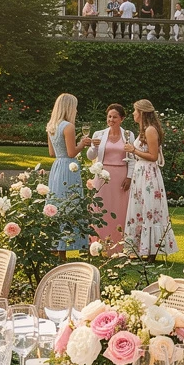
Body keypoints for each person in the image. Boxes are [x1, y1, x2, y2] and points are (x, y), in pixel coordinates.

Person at [123, 100, 179, 260]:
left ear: (141, 112)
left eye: (135, 111)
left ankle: (152, 252)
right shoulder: (144, 130)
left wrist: (133, 150)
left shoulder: (150, 130)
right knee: (139, 209)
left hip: (148, 174)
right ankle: (140, 248)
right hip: (140, 173)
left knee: (150, 210)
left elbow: (153, 156)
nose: (133, 114)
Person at [83, 103, 135, 254]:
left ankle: (119, 247)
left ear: (122, 119)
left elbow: (132, 158)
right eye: (109, 116)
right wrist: (93, 147)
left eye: (115, 117)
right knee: (100, 209)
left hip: (120, 176)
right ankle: (98, 246)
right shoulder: (99, 134)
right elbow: (90, 156)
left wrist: (129, 177)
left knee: (120, 211)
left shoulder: (128, 135)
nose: (111, 120)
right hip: (102, 177)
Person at [45, 93, 87, 258]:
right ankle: (66, 246)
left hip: (57, 166)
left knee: (57, 203)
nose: (76, 110)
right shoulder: (68, 126)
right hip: (69, 167)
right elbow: (71, 152)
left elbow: (51, 152)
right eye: (75, 107)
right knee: (70, 203)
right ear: (69, 108)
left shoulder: (51, 126)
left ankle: (56, 245)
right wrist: (82, 144)